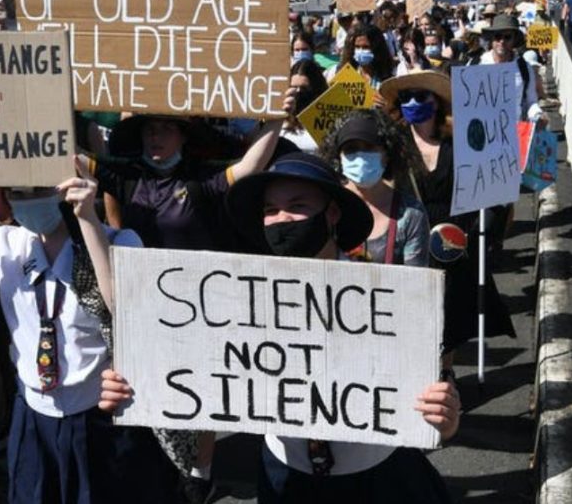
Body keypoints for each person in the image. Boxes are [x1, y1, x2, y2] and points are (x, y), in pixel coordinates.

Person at [100, 153, 460, 503]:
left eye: (297, 206)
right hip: (285, 474)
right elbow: (196, 366)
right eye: (270, 210)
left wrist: (445, 417)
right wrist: (134, 385)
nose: (282, 219)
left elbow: (427, 394)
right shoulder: (239, 299)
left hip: (375, 476)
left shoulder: (381, 296)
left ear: (332, 212)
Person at [0, 157, 180, 503]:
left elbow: (124, 308)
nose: (29, 200)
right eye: (17, 193)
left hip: (103, 418)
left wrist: (87, 219)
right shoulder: (5, 245)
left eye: (40, 188)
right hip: (35, 418)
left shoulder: (119, 240)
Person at [380, 72, 515, 377]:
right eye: (406, 98)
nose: (413, 103)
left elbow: (489, 186)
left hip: (455, 239)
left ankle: (445, 371)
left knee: (451, 310)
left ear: (436, 102)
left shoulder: (461, 144)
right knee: (415, 308)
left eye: (420, 96)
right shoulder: (393, 148)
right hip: (411, 238)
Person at [92, 114, 282, 252]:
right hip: (138, 286)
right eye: (150, 129)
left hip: (195, 287)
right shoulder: (127, 175)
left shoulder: (201, 177)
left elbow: (250, 166)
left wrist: (277, 118)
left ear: (183, 137)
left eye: (167, 129)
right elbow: (77, 160)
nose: (156, 137)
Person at [318, 109, 430, 265]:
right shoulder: (323, 206)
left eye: (369, 147)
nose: (360, 156)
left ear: (387, 154)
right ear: (339, 157)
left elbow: (417, 277)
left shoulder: (410, 214)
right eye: (351, 149)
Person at [478, 15, 541, 123]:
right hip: (484, 129)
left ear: (514, 40)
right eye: (498, 36)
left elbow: (531, 102)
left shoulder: (524, 68)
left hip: (515, 130)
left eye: (507, 37)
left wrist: (538, 115)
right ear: (492, 39)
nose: (502, 41)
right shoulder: (478, 65)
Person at [330, 24, 395, 89]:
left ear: (376, 48)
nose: (361, 51)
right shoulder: (345, 75)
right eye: (357, 47)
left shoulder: (387, 79)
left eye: (366, 47)